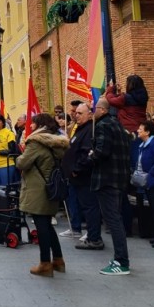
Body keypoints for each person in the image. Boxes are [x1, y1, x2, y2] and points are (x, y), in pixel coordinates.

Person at [16, 113, 70, 277]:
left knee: (41, 227)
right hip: (51, 186)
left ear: (40, 125)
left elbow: (22, 163)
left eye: (33, 124)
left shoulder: (37, 142)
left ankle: (45, 263)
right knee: (47, 225)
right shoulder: (57, 142)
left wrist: (19, 157)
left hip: (38, 188)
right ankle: (58, 260)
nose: (30, 126)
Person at [88, 98, 132, 276]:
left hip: (106, 179)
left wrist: (92, 155)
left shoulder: (103, 125)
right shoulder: (117, 125)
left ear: (103, 110)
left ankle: (121, 261)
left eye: (95, 109)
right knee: (116, 218)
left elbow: (102, 151)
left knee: (113, 220)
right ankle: (121, 259)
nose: (93, 112)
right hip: (119, 178)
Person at [62, 103, 102, 248]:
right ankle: (91, 234)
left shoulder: (89, 131)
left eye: (80, 113)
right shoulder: (80, 129)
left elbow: (87, 154)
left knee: (90, 207)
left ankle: (94, 238)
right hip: (76, 178)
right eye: (76, 113)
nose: (76, 115)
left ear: (89, 114)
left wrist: (76, 169)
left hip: (84, 177)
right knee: (84, 206)